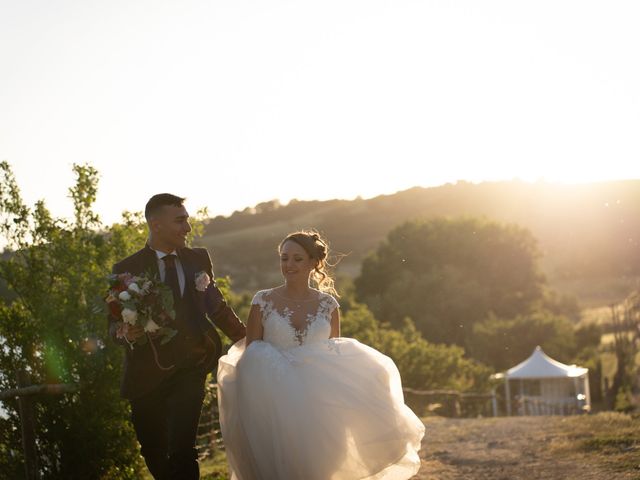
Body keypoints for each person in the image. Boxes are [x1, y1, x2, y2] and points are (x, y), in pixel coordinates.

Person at [217, 230, 425, 480]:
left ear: (314, 263)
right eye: (284, 258)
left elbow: (333, 353)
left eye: (297, 258)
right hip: (272, 403)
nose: (289, 265)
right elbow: (251, 354)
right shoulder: (262, 301)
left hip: (319, 403)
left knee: (321, 468)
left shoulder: (328, 305)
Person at [107, 193, 246, 480]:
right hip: (145, 374)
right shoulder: (126, 270)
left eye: (187, 220)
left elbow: (216, 307)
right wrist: (126, 331)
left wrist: (249, 339)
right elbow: (112, 326)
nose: (188, 228)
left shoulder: (198, 259)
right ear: (156, 225)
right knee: (153, 450)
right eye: (180, 220)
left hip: (192, 365)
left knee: (182, 448)